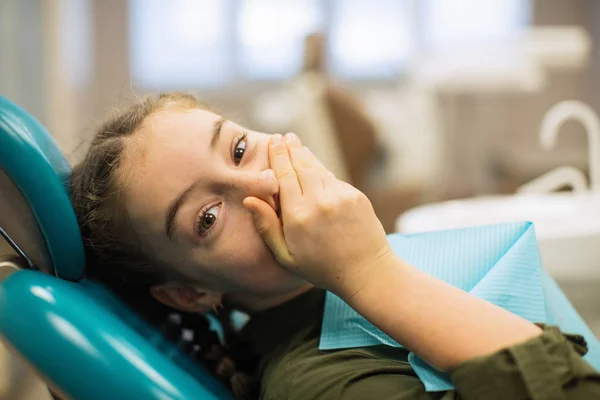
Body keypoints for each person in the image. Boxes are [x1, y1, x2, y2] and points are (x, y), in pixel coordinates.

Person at [71, 92, 600, 400]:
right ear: (189, 293)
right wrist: (371, 271)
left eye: (238, 148)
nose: (263, 185)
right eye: (207, 218)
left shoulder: (335, 288)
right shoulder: (318, 388)